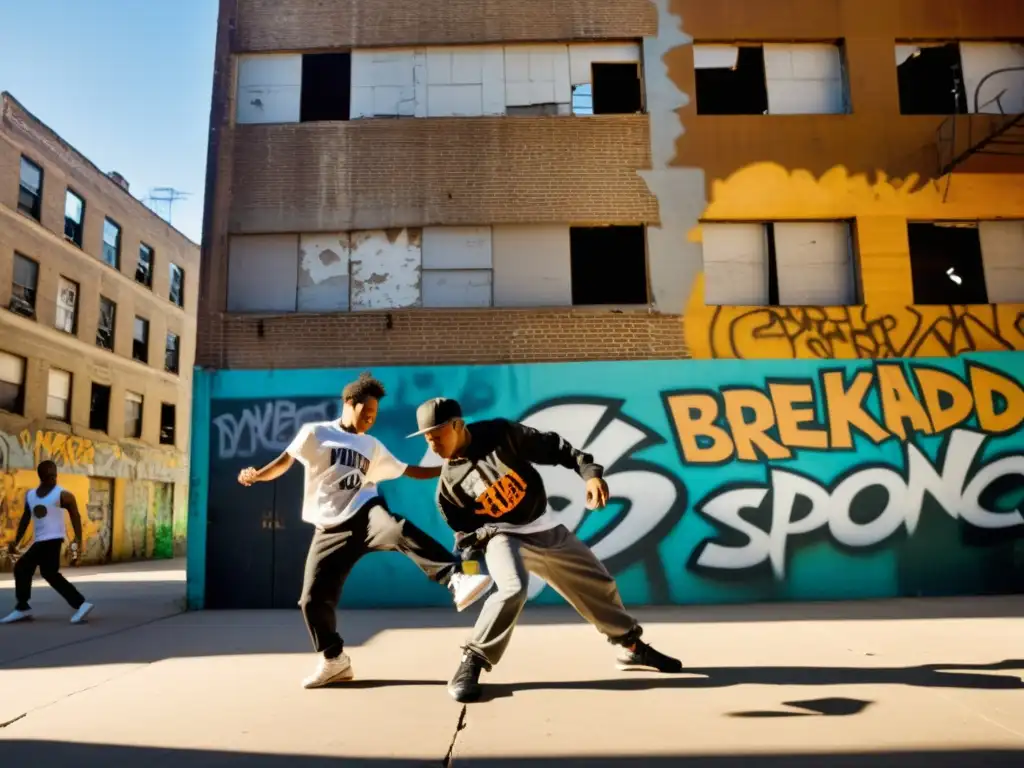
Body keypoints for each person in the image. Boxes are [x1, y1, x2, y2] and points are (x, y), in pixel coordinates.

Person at [408, 397, 683, 703]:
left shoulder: (500, 434)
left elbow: (555, 448)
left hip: (544, 527)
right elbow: (466, 538)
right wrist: (468, 575)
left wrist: (590, 474)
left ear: (457, 425)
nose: (433, 446)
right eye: (428, 440)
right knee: (512, 588)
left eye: (436, 436)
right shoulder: (448, 489)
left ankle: (631, 648)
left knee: (599, 583)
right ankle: (471, 662)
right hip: (502, 536)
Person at [237, 373, 493, 689]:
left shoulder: (370, 445)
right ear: (349, 404)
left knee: (396, 528)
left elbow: (409, 470)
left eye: (374, 417)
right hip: (329, 528)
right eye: (366, 414)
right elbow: (283, 461)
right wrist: (258, 475)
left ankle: (457, 579)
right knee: (312, 600)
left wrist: (453, 465)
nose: (370, 421)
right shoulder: (315, 433)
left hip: (365, 514)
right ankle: (334, 661)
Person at [1, 460, 94, 625]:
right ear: (41, 476)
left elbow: (75, 515)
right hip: (41, 540)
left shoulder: (62, 494)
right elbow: (25, 519)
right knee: (49, 573)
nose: (53, 478)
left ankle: (23, 607)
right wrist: (16, 541)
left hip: (53, 539)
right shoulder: (30, 495)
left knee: (23, 566)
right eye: (49, 475)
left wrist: (77, 539)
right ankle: (80, 603)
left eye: (54, 475)